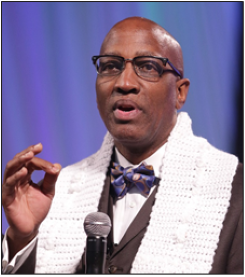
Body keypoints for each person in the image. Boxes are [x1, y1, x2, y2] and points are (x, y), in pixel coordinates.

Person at [2, 16, 243, 274]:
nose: (124, 83)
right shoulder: (59, 192)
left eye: (148, 66)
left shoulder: (233, 189)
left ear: (180, 92)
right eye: (110, 66)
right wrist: (22, 238)